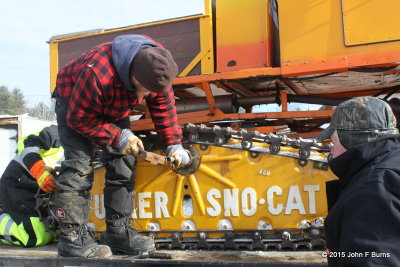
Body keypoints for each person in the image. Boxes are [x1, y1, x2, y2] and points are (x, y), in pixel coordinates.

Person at [52, 34, 190, 258]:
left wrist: (174, 144)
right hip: (76, 106)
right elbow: (79, 119)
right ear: (133, 75)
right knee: (79, 167)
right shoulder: (96, 72)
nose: (145, 96)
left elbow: (164, 108)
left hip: (114, 104)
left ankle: (118, 232)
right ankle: (72, 239)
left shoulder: (158, 65)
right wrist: (117, 136)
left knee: (124, 161)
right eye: (143, 90)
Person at [317, 96, 400, 266]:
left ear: (350, 139)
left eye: (333, 141)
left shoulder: (373, 190)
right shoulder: (391, 168)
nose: (331, 149)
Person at [0, 125, 63, 247]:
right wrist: (39, 170)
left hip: (44, 192)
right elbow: (27, 143)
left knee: (56, 234)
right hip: (19, 181)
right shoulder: (60, 132)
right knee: (32, 236)